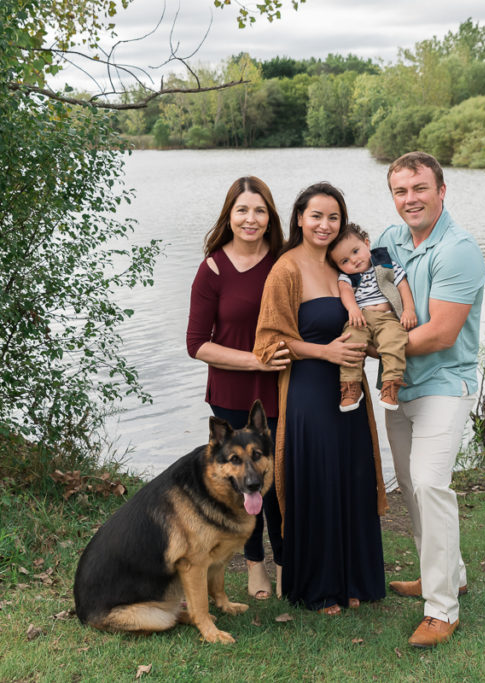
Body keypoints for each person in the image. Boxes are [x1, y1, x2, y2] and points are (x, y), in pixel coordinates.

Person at [253, 182, 388, 615]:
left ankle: (354, 580)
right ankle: (318, 586)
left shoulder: (344, 267)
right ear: (298, 219)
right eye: (316, 216)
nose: (325, 225)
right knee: (320, 480)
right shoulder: (286, 269)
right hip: (309, 391)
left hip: (352, 390)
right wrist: (325, 350)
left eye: (333, 217)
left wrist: (374, 344)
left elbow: (367, 319)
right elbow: (269, 343)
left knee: (352, 476)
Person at [374, 152, 485, 649]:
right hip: (399, 386)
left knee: (429, 484)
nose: (410, 199)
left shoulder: (458, 249)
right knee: (412, 492)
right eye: (401, 191)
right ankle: (446, 574)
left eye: (419, 188)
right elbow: (367, 296)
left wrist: (369, 348)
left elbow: (441, 334)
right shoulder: (388, 241)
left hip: (444, 384)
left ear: (442, 191)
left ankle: (442, 609)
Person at [186, 176, 290, 601]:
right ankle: (253, 564)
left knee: (280, 484)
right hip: (229, 395)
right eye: (243, 210)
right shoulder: (213, 268)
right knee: (240, 484)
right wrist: (254, 360)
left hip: (282, 391)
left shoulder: (284, 262)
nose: (251, 218)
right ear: (229, 215)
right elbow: (196, 344)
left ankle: (286, 563)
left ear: (271, 217)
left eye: (260, 210)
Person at [327, 222, 417, 412]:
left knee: (394, 341)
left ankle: (391, 385)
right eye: (344, 261)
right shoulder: (347, 277)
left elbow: (402, 285)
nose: (353, 260)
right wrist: (353, 310)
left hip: (387, 317)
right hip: (361, 318)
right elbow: (345, 292)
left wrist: (409, 309)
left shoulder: (385, 263)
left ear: (367, 243)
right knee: (350, 342)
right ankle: (351, 387)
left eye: (355, 251)